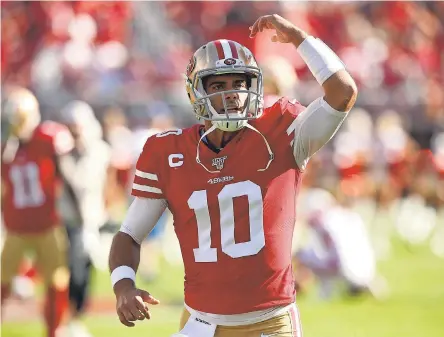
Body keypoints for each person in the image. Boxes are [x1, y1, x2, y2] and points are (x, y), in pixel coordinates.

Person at [108, 14, 357, 337]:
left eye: (240, 83)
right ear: (196, 92)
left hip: (269, 321)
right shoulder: (168, 151)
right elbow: (129, 234)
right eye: (219, 85)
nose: (232, 93)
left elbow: (343, 92)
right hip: (200, 323)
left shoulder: (281, 131)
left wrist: (299, 39)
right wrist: (123, 286)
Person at [1, 87, 83, 337]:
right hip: (19, 228)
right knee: (5, 284)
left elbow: (66, 176)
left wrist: (79, 215)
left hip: (45, 225)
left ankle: (53, 330)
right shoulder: (8, 149)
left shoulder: (46, 139)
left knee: (56, 283)